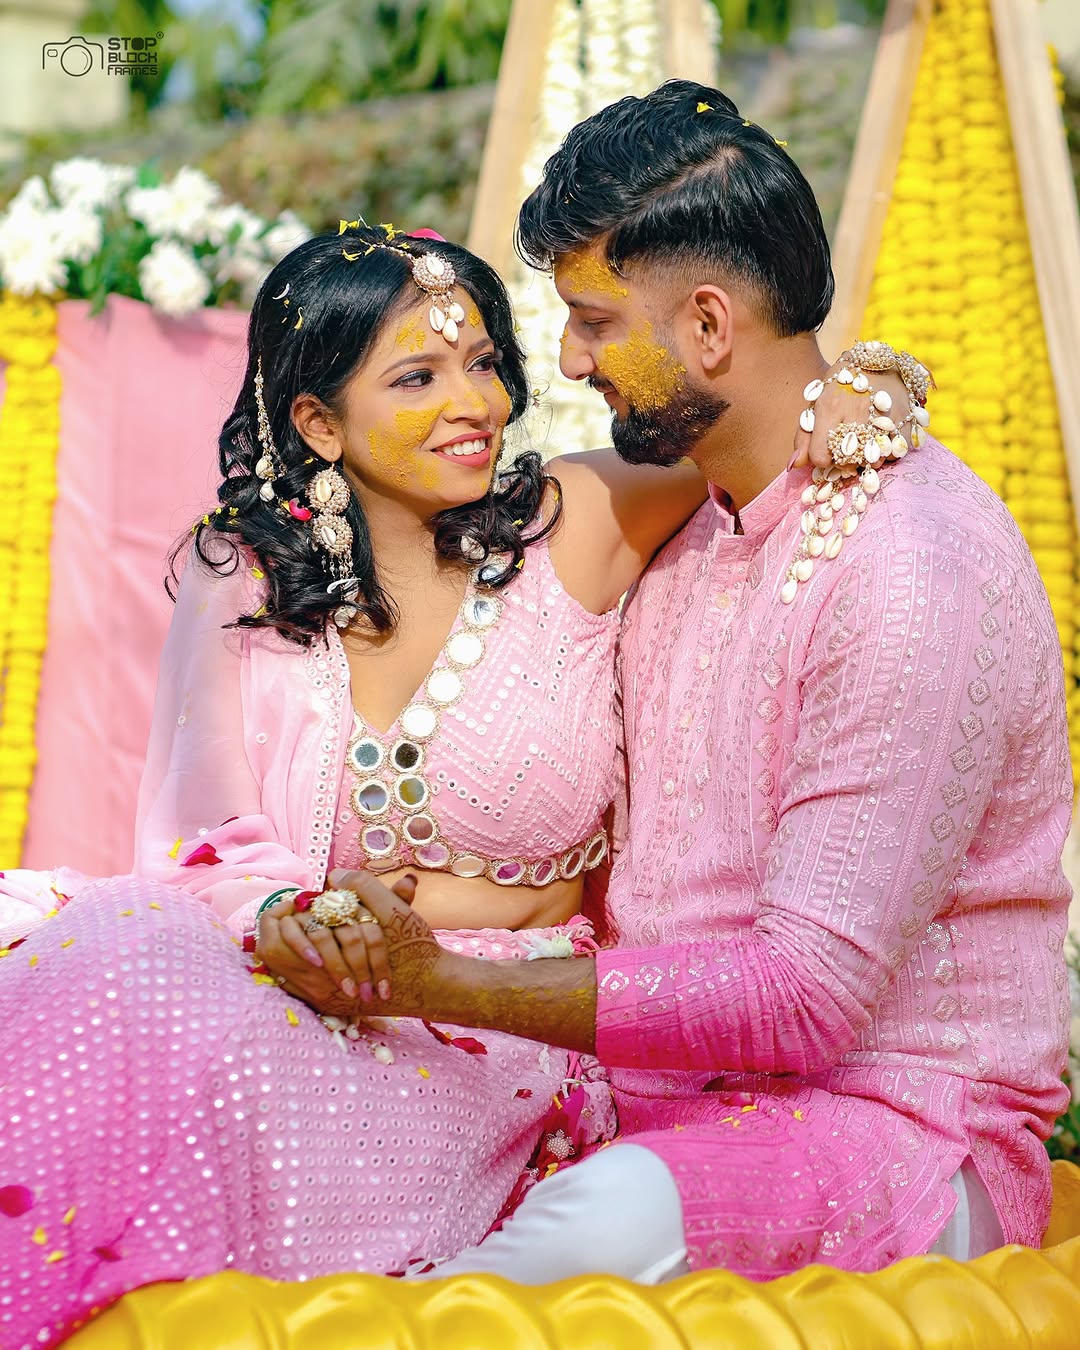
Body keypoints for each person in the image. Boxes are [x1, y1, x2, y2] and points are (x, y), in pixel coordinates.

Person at [0, 216, 894, 1346]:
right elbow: (201, 825)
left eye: (482, 362)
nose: (472, 402)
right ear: (319, 422)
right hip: (300, 984)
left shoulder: (574, 523)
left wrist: (858, 389)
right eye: (418, 376)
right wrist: (293, 919)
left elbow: (753, 432)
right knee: (117, 958)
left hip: (498, 1031)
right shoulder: (247, 572)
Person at [263, 82, 1073, 1287]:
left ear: (706, 325)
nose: (569, 360)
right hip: (644, 1102)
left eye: (593, 322)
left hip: (895, 1128)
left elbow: (805, 1000)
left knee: (598, 1223)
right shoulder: (690, 528)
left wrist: (443, 983)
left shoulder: (910, 568)